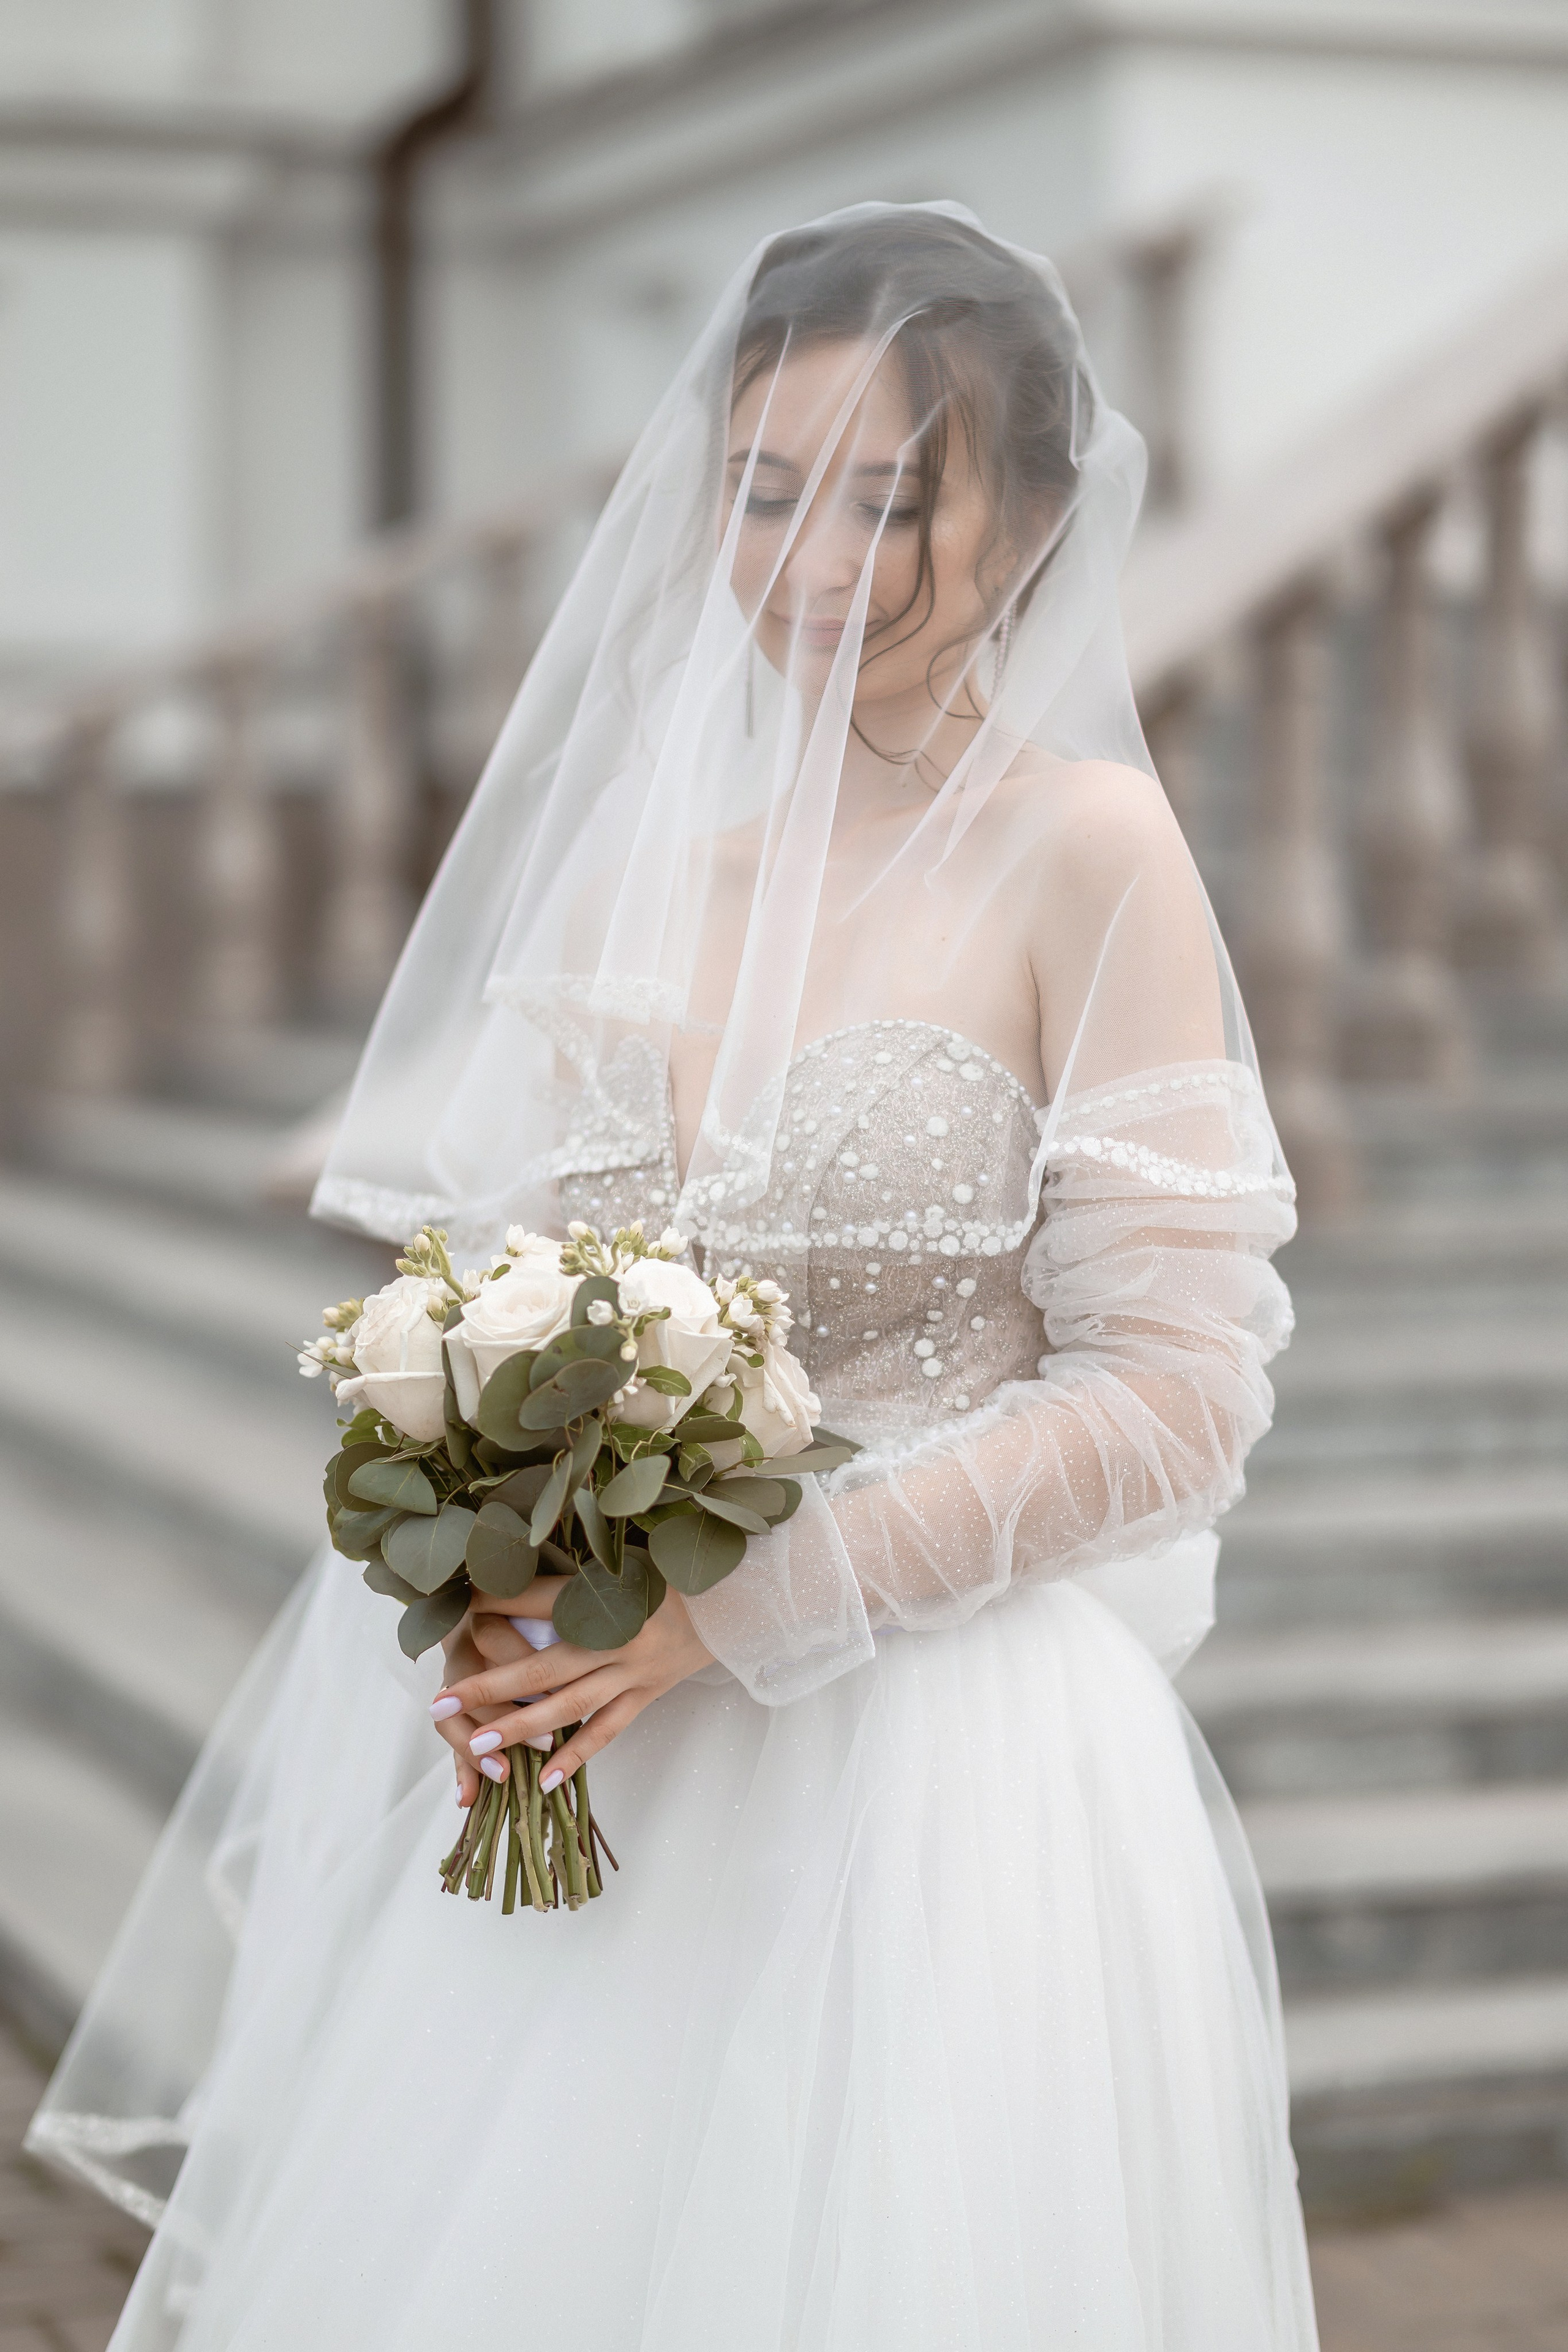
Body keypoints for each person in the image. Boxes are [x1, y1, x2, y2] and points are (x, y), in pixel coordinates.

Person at [31, 202, 1319, 2350]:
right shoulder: (643, 873)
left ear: (1028, 517)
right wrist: (505, 1552)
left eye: (894, 498)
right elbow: (531, 1293)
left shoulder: (1086, 848)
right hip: (616, 1764)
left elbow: (1183, 1387)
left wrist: (749, 1602)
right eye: (766, 489)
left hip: (940, 1795)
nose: (814, 561)